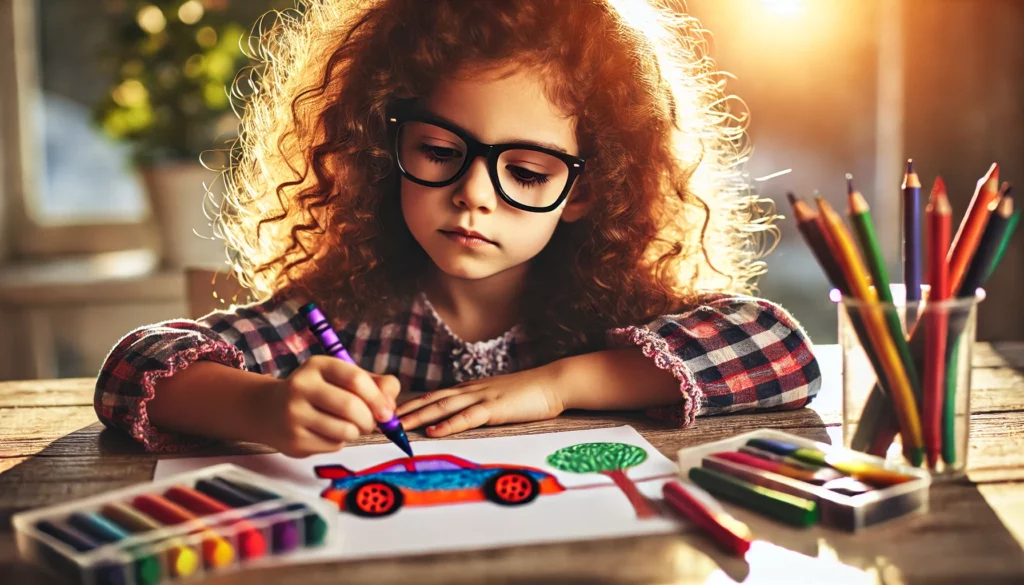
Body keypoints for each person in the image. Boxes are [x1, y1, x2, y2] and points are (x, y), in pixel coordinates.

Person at [95, 0, 821, 457]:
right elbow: (133, 368)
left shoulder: (618, 310)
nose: (473, 196)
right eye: (441, 152)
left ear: (586, 191)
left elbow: (785, 351)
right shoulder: (347, 312)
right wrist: (260, 405)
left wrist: (559, 385)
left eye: (528, 172)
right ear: (388, 149)